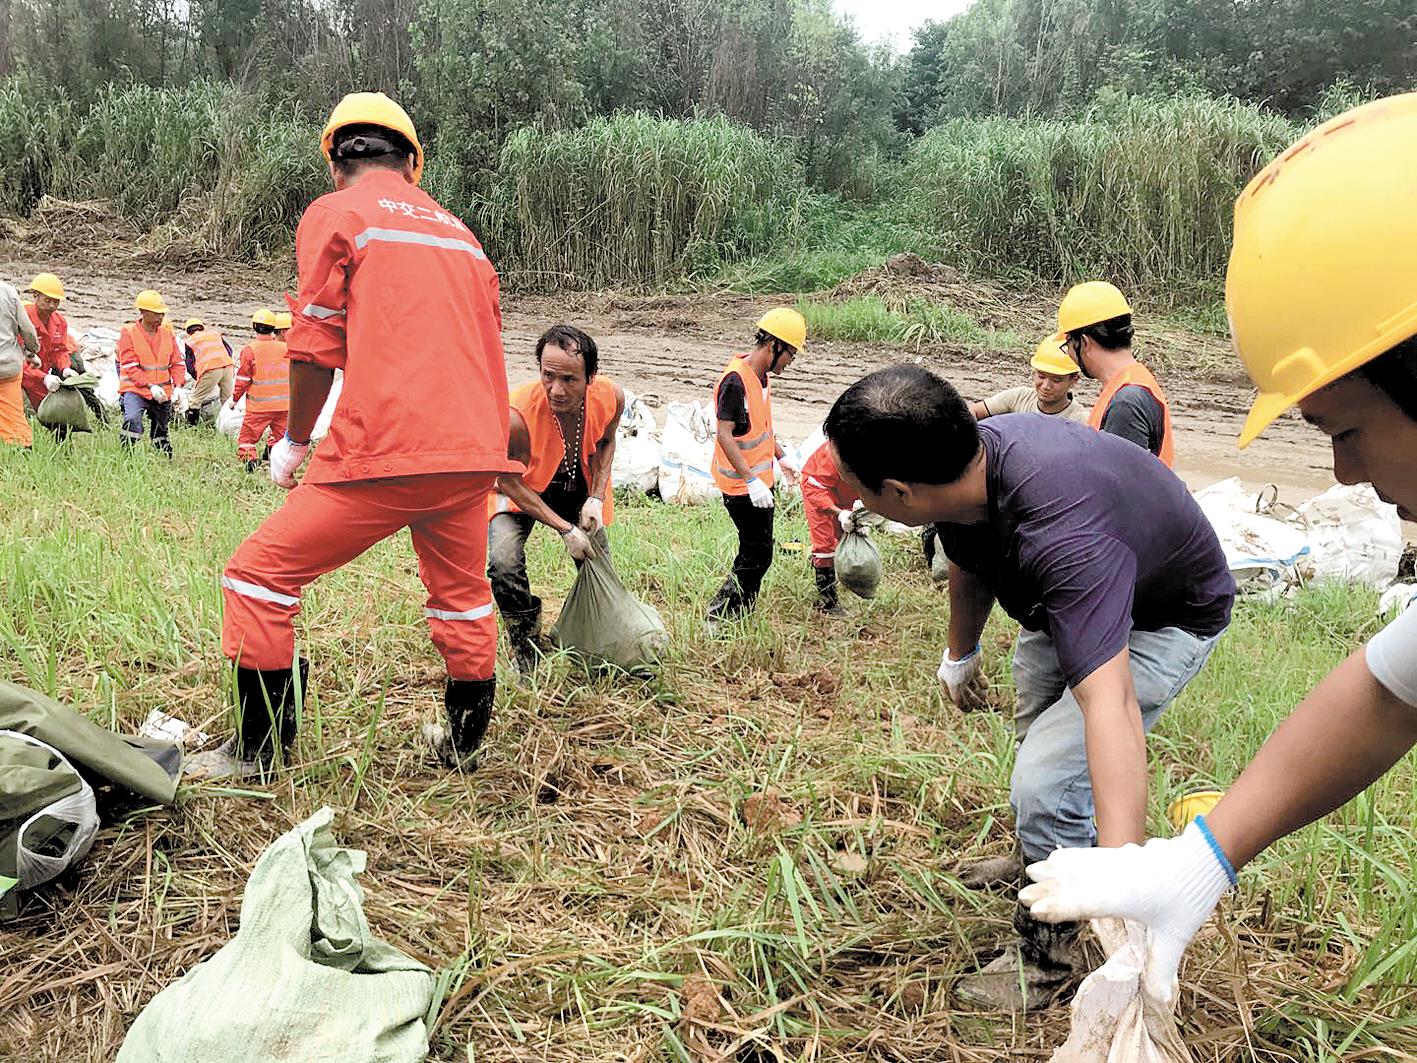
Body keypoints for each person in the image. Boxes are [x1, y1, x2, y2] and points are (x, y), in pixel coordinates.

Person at [1021, 92, 1417, 1011]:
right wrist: (1198, 864)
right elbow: (1389, 684)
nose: (1343, 472)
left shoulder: (1122, 403)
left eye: (1346, 428)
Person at [824, 364, 1234, 1011]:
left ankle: (1049, 950)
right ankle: (1042, 859)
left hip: (1164, 616)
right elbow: (967, 559)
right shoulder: (967, 472)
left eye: (849, 479)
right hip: (1062, 599)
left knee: (1046, 777)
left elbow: (1112, 705)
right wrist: (960, 651)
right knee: (1035, 738)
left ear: (897, 492)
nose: (841, 488)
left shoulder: (1062, 533)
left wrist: (1121, 883)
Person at [188, 91, 514, 781]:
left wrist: (295, 442)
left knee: (257, 577)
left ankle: (257, 751)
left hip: (386, 449)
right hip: (470, 455)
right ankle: (462, 745)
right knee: (462, 596)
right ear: (412, 162)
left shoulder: (337, 213)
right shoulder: (459, 232)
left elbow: (312, 344)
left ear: (336, 160)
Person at [488, 325, 624, 672]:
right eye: (548, 376)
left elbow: (607, 441)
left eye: (569, 379)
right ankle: (526, 650)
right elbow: (508, 480)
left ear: (590, 377)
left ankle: (604, 642)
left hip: (575, 483)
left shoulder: (610, 396)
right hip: (521, 490)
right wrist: (566, 530)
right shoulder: (516, 413)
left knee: (598, 565)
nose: (556, 389)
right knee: (504, 563)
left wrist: (595, 496)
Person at [705, 308, 805, 628]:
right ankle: (721, 613)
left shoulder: (761, 378)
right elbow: (724, 434)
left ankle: (742, 613)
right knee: (756, 554)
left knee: (759, 552)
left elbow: (760, 428)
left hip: (760, 483)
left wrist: (781, 456)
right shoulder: (736, 381)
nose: (790, 361)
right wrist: (751, 480)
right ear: (774, 346)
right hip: (741, 487)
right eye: (790, 353)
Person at [1057, 281, 1174, 465]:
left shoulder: (1126, 402)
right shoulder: (1130, 383)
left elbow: (1120, 487)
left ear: (1084, 343)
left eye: (1068, 345)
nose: (1070, 354)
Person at [798, 437, 863, 616]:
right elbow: (815, 490)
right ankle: (827, 602)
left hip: (846, 493)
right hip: (819, 490)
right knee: (825, 545)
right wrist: (839, 513)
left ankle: (843, 582)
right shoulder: (831, 456)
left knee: (845, 537)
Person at [117, 290, 184, 456]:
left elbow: (177, 363)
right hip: (136, 389)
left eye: (162, 314)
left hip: (162, 393)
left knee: (161, 429)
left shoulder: (167, 334)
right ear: (144, 312)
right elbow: (130, 366)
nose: (161, 318)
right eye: (157, 314)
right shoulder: (129, 333)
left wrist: (178, 386)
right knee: (132, 419)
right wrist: (150, 386)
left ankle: (163, 457)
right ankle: (127, 455)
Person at [969, 337, 1089, 424]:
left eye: (1056, 380)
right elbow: (974, 410)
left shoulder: (1080, 420)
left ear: (1073, 380)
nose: (1046, 386)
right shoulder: (1019, 398)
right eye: (1041, 376)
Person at [229, 310, 289, 470]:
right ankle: (280, 467)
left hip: (259, 408)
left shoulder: (250, 350)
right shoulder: (286, 348)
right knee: (282, 439)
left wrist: (234, 399)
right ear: (273, 327)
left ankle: (250, 463)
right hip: (285, 406)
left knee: (247, 439)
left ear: (254, 327)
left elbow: (243, 380)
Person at [20, 273, 79, 417]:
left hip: (40, 378)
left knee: (48, 415)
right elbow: (17, 359)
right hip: (19, 377)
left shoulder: (59, 322)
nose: (52, 306)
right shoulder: (22, 319)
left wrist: (65, 368)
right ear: (35, 295)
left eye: (56, 302)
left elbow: (59, 350)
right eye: (47, 300)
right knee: (24, 414)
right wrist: (43, 377)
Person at [1, 279, 41, 447]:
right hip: (6, 366)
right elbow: (27, 329)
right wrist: (31, 352)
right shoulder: (8, 292)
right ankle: (23, 451)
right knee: (13, 416)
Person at [181, 318, 235, 425]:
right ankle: (227, 426)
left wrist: (199, 379)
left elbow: (190, 365)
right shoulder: (215, 334)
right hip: (228, 367)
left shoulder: (190, 341)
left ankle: (192, 427)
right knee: (227, 400)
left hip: (211, 369)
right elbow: (229, 350)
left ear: (188, 332)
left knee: (195, 400)